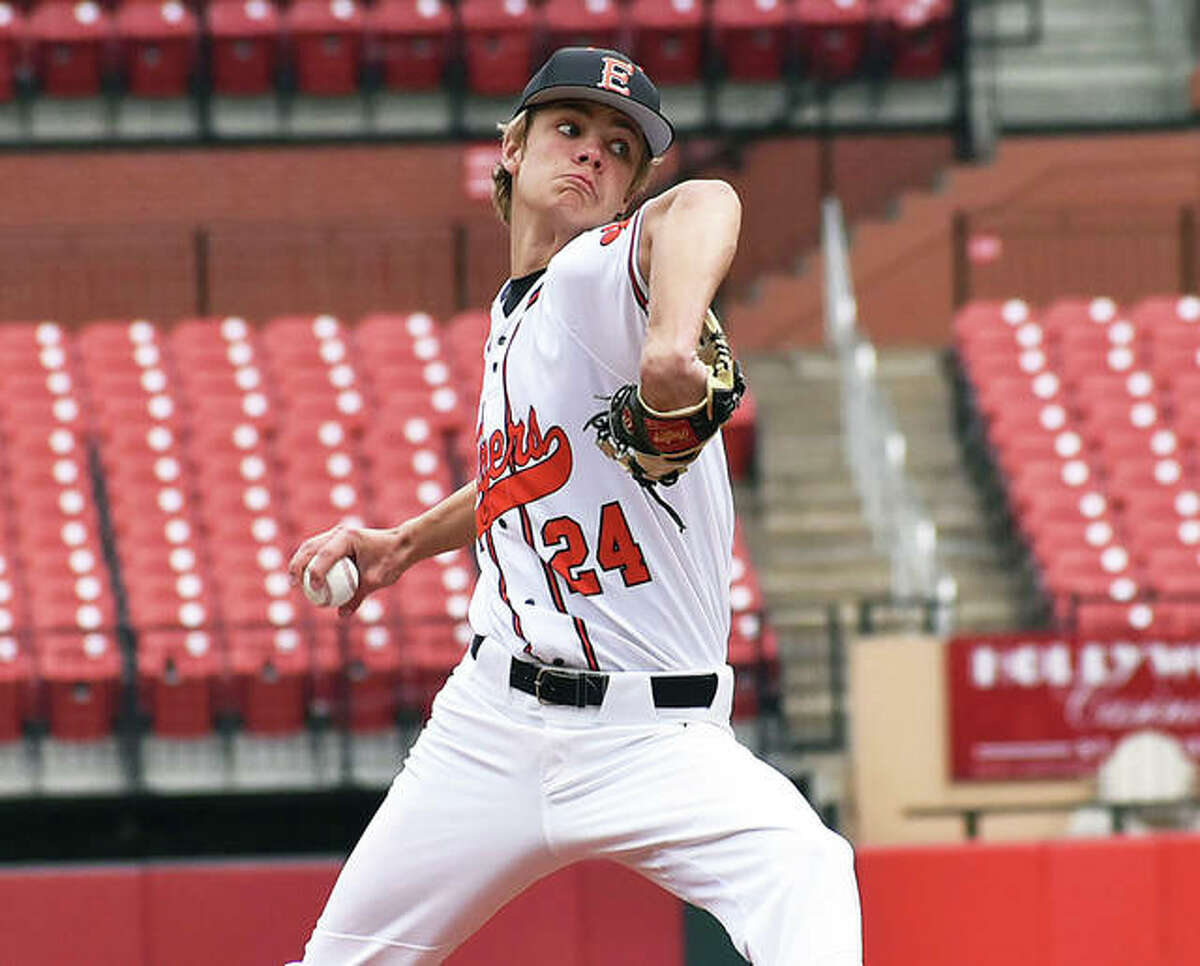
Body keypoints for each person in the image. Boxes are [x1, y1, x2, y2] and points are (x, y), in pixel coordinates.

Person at [289, 47, 863, 965]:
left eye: (620, 149)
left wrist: (672, 340)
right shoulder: (513, 312)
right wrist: (405, 542)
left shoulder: (598, 279)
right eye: (570, 129)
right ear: (509, 149)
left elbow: (707, 202)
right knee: (343, 958)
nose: (594, 154)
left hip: (654, 735)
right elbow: (524, 475)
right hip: (491, 722)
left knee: (805, 868)